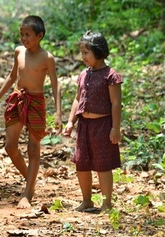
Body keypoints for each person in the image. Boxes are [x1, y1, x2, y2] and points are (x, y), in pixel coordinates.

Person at [0, 15, 62, 209]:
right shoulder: (18, 51)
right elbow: (12, 77)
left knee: (33, 148)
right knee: (10, 147)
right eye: (21, 34)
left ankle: (27, 193)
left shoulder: (47, 58)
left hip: (36, 102)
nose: (23, 38)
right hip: (17, 99)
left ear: (40, 35)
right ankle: (30, 180)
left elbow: (55, 85)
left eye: (28, 34)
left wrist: (59, 112)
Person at [62, 31, 122, 212]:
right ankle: (87, 200)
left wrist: (115, 128)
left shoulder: (110, 75)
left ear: (98, 51)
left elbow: (116, 103)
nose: (83, 56)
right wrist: (71, 121)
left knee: (103, 166)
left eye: (86, 52)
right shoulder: (83, 75)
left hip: (102, 125)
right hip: (84, 126)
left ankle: (107, 203)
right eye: (81, 52)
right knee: (82, 163)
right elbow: (77, 99)